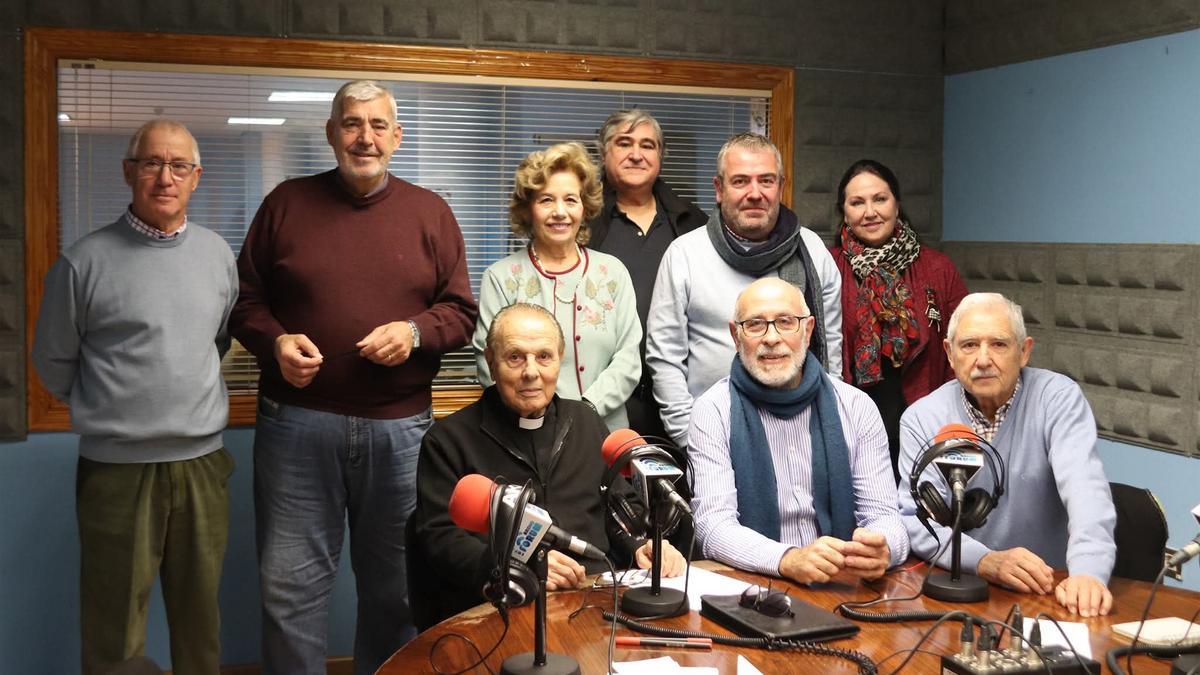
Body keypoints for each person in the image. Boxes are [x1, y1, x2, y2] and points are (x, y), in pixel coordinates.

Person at [229, 80, 477, 674]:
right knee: (288, 592)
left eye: (377, 124)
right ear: (331, 133)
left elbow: (461, 313)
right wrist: (275, 341)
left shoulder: (431, 213)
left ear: (397, 136)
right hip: (296, 426)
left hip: (401, 432)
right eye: (351, 123)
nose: (364, 137)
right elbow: (243, 301)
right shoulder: (286, 203)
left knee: (394, 591)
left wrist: (414, 332)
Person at [32, 120, 237, 675]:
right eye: (151, 163)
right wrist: (117, 407)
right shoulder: (84, 263)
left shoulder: (219, 257)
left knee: (201, 623)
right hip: (117, 472)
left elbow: (215, 340)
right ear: (129, 172)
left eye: (178, 166)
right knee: (114, 627)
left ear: (196, 178)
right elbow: (54, 362)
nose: (164, 177)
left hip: (200, 466)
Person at [414, 304, 684, 626]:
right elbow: (441, 538)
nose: (531, 372)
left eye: (544, 356)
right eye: (515, 357)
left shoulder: (585, 421)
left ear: (560, 358)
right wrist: (519, 565)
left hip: (592, 600)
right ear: (490, 360)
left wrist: (642, 544)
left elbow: (617, 503)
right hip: (501, 606)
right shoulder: (447, 441)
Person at [897, 293, 1117, 617]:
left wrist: (1087, 572)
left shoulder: (1058, 399)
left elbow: (1086, 489)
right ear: (949, 353)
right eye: (969, 345)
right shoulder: (922, 417)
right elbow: (916, 521)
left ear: (1024, 351)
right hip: (962, 595)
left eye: (998, 344)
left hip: (1049, 592)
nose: (983, 359)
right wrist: (986, 561)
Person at [687, 279, 907, 584]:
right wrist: (787, 559)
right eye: (755, 325)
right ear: (736, 337)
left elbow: (885, 516)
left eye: (786, 322)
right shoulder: (712, 411)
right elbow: (712, 528)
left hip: (843, 584)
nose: (772, 338)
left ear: (808, 330)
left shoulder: (856, 407)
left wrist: (885, 548)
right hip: (754, 588)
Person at [646, 133, 842, 449]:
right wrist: (689, 437)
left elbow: (830, 344)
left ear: (781, 185)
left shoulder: (813, 251)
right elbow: (665, 355)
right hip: (713, 436)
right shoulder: (685, 254)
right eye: (740, 181)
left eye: (766, 181)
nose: (755, 193)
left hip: (802, 432)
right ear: (719, 190)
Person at [473, 142, 641, 432]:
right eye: (546, 200)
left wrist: (586, 411)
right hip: (526, 433)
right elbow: (489, 361)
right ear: (528, 210)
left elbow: (628, 358)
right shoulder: (500, 278)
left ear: (585, 208)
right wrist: (543, 417)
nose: (560, 212)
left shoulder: (613, 273)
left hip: (605, 432)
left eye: (571, 200)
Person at [829, 159, 968, 483]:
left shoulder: (939, 268)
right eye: (857, 202)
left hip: (926, 422)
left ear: (897, 203)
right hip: (855, 426)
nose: (870, 211)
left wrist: (951, 418)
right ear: (844, 212)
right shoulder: (828, 266)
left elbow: (962, 348)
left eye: (880, 199)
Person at [587, 109, 709, 439]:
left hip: (679, 397)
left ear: (661, 155)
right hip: (603, 399)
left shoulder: (691, 223)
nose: (637, 155)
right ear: (604, 152)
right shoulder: (583, 224)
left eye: (648, 145)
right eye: (624, 143)